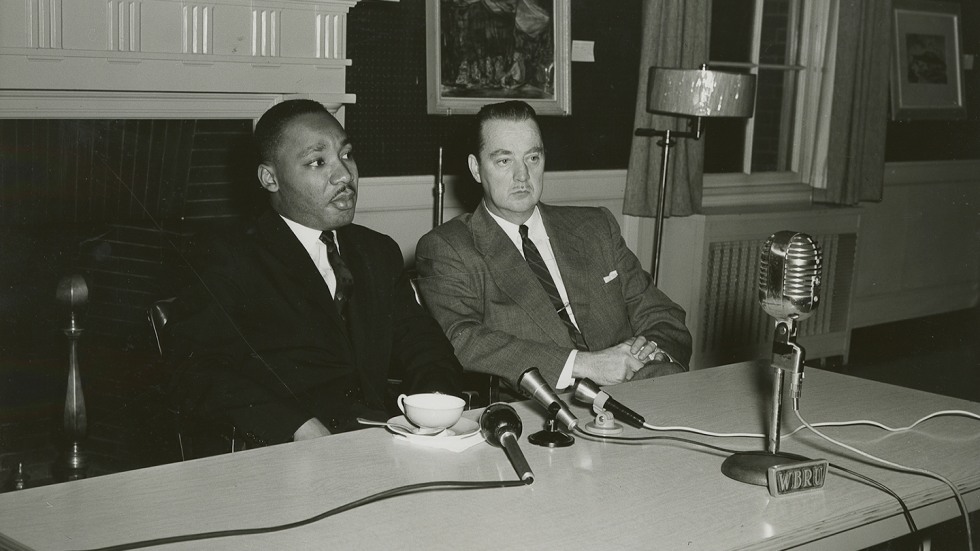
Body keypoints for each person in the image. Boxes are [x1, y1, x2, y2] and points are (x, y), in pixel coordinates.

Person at [167, 99, 462, 448]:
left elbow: (424, 346)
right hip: (284, 451)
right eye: (318, 162)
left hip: (381, 440)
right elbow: (195, 371)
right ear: (270, 179)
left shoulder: (377, 251)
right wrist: (295, 425)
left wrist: (433, 407)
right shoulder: (229, 257)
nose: (345, 175)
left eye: (347, 155)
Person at [415, 100, 691, 391]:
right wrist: (585, 365)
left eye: (532, 158)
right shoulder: (449, 247)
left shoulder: (595, 227)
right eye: (504, 161)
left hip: (638, 391)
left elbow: (665, 317)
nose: (522, 176)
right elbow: (463, 340)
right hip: (542, 410)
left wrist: (650, 354)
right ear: (475, 168)